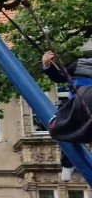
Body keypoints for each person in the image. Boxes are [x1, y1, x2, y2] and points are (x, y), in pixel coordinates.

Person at [40, 50, 92, 181]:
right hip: (77, 105)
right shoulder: (80, 65)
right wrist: (47, 65)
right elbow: (59, 76)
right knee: (68, 131)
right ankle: (67, 164)